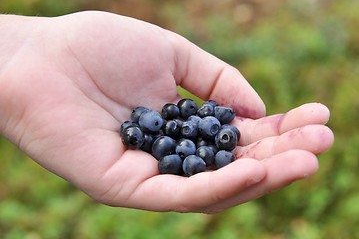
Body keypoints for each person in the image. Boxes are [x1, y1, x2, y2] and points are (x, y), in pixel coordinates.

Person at [0, 11, 334, 213]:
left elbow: (194, 132)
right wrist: (25, 50)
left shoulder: (192, 129)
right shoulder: (162, 128)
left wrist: (22, 47)